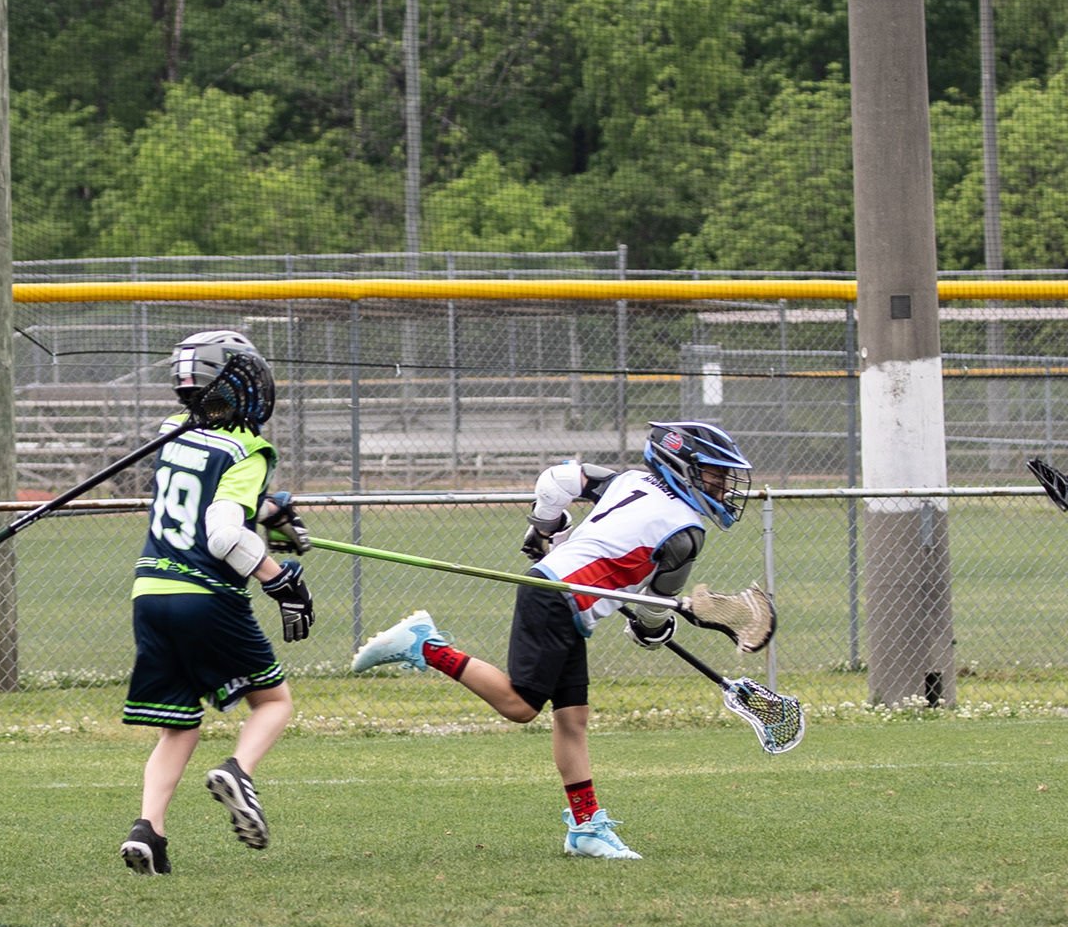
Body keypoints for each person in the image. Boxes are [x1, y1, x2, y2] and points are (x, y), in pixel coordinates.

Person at [350, 419, 753, 861]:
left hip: (566, 601)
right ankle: (425, 646)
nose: (722, 486)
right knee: (520, 706)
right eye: (715, 474)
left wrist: (547, 527)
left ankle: (586, 828)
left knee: (572, 718)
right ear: (682, 465)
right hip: (557, 599)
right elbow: (654, 610)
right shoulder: (687, 533)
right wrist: (654, 630)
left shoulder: (628, 481)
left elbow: (557, 480)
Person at [120, 329, 315, 875]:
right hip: (205, 595)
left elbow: (205, 494)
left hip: (150, 591)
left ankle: (149, 831)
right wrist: (280, 581)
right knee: (272, 702)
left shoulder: (170, 432)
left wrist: (269, 511)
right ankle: (238, 771)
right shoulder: (249, 449)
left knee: (179, 724)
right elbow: (224, 534)